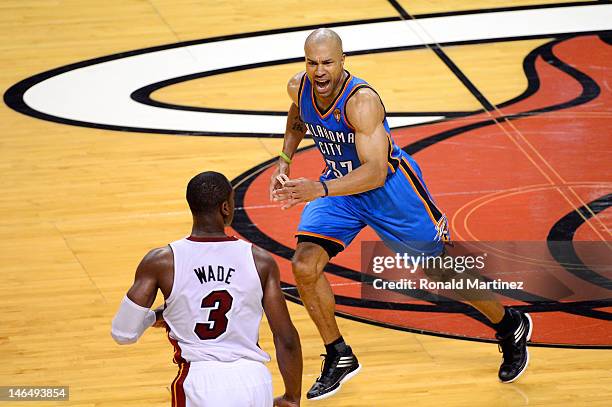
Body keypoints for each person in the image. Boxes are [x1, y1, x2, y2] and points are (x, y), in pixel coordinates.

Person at [270, 28, 532, 400]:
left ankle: (509, 325)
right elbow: (299, 116)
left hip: (388, 191)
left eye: (327, 62)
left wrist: (319, 189)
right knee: (304, 266)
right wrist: (285, 158)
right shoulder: (299, 87)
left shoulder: (361, 102)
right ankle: (339, 355)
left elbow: (375, 171)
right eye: (312, 62)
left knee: (440, 270)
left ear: (343, 61)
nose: (320, 70)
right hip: (340, 190)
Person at [112, 171, 302, 407]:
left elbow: (123, 333)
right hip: (254, 380)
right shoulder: (260, 260)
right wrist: (292, 398)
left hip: (201, 382)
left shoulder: (161, 261)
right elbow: (286, 338)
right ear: (225, 207)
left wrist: (155, 316)